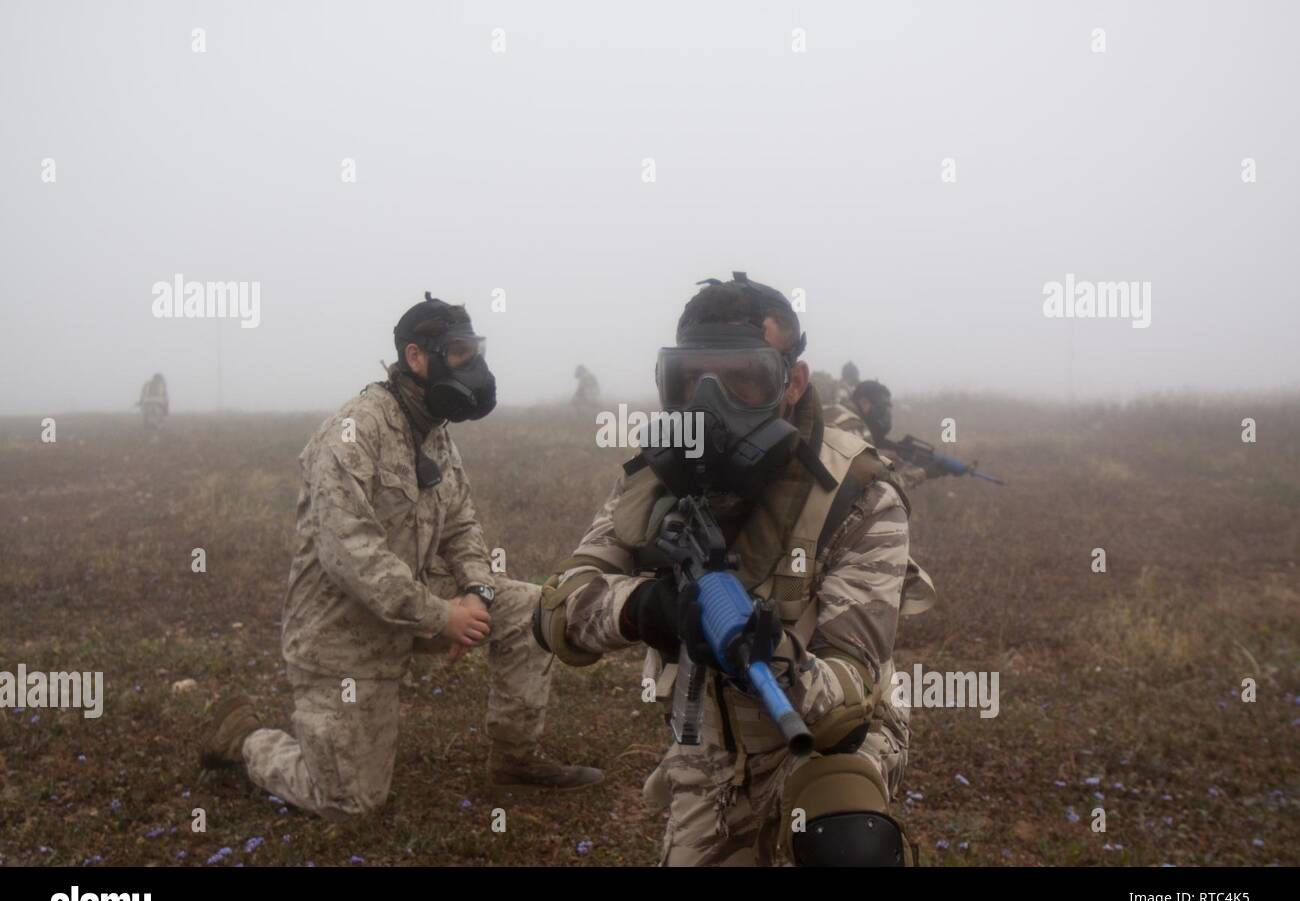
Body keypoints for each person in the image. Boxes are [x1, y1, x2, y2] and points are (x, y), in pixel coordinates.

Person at [534, 273, 934, 865]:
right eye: (691, 379)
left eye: (745, 379)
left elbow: (849, 695)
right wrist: (652, 610)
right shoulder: (656, 478)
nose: (709, 404)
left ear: (792, 383)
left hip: (830, 744)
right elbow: (560, 608)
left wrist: (773, 657)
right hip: (712, 743)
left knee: (848, 849)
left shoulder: (858, 493)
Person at [201, 293, 602, 820]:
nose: (473, 365)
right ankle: (244, 739)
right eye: (459, 352)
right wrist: (444, 617)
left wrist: (478, 595)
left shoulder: (434, 433)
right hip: (341, 634)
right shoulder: (351, 435)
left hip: (415, 606)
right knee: (352, 802)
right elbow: (354, 558)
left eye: (473, 350)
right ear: (417, 356)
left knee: (531, 611)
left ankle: (515, 759)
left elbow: (461, 524)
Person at [823, 380, 933, 489]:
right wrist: (921, 473)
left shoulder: (829, 411)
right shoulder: (857, 427)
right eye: (882, 407)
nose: (886, 414)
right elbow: (880, 484)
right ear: (864, 402)